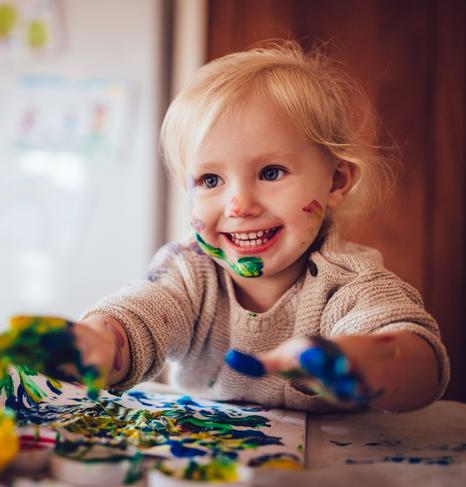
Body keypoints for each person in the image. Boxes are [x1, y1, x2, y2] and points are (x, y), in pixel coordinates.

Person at [73, 40, 449, 412]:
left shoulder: (350, 284)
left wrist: (358, 360)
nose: (240, 205)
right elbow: (141, 313)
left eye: (271, 172)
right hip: (204, 459)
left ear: (335, 182)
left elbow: (421, 365)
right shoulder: (189, 272)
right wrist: (100, 342)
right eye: (210, 180)